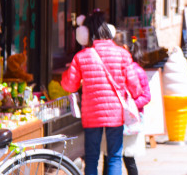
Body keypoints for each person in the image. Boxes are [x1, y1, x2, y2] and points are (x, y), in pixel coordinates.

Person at [61, 11, 143, 175]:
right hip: (115, 114)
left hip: (91, 114)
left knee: (91, 158)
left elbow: (69, 85)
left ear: (86, 35)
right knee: (114, 157)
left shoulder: (81, 57)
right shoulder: (122, 54)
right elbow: (135, 87)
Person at [102, 37, 151, 175]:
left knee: (128, 158)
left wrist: (128, 106)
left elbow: (146, 96)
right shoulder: (112, 69)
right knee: (108, 157)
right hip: (113, 118)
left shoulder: (136, 71)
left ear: (124, 48)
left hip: (129, 121)